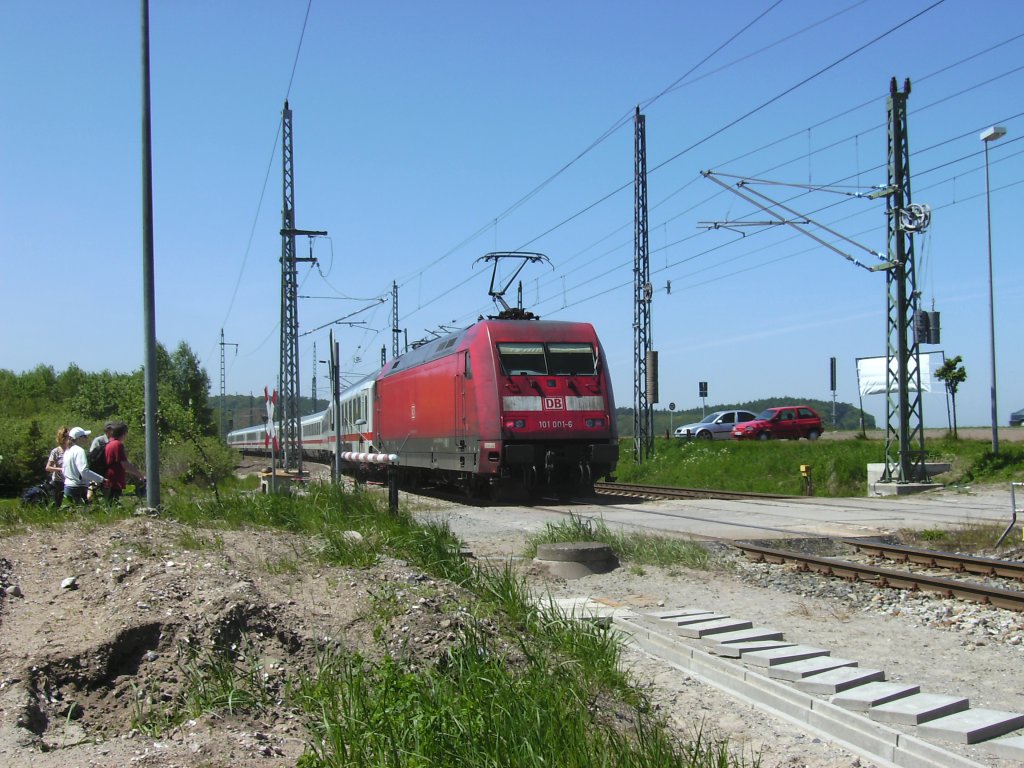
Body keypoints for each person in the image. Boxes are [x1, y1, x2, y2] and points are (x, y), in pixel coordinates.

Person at [103, 422, 145, 503]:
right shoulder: (117, 445)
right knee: (112, 503)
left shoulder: (109, 443)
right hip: (115, 481)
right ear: (124, 433)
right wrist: (140, 475)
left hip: (109, 479)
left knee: (110, 503)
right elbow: (125, 465)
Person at [63, 427, 105, 505]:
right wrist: (101, 479)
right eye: (85, 436)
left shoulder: (67, 451)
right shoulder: (79, 451)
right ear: (79, 438)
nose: (87, 438)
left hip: (68, 487)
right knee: (81, 514)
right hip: (78, 488)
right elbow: (84, 472)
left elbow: (64, 470)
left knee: (71, 515)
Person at [45, 426, 70, 506]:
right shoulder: (55, 452)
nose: (67, 439)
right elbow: (48, 467)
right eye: (65, 437)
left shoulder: (71, 450)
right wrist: (61, 469)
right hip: (58, 482)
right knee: (57, 504)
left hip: (69, 481)